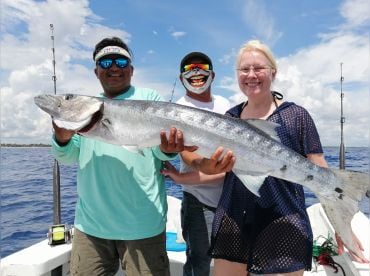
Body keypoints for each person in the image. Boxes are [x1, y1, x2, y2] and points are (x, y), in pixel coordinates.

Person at [189, 40, 368, 276]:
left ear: (273, 72)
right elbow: (221, 169)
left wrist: (340, 220)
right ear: (237, 75)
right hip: (233, 218)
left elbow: (319, 167)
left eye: (258, 68)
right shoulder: (229, 117)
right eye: (244, 69)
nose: (251, 75)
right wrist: (184, 173)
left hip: (283, 219)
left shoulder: (297, 116)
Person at [51, 36, 195, 276]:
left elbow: (159, 150)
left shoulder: (149, 98)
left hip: (143, 226)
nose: (114, 67)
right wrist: (62, 137)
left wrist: (170, 149)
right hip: (91, 227)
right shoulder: (83, 108)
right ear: (96, 71)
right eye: (105, 63)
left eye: (120, 61)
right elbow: (66, 157)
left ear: (131, 69)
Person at [162, 52, 230, 276]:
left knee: (230, 259)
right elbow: (186, 154)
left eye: (202, 68)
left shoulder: (224, 104)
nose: (196, 72)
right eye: (189, 69)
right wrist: (204, 164)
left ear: (213, 74)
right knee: (199, 261)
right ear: (182, 79)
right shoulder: (178, 108)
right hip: (198, 201)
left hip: (229, 198)